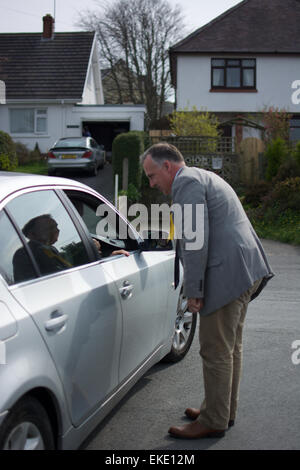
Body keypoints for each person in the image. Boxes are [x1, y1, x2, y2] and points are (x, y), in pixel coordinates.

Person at [141, 142, 274, 439]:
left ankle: (214, 419)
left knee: (215, 350)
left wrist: (194, 290)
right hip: (243, 270)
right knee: (229, 349)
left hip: (227, 275)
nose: (151, 183)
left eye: (151, 176)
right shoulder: (201, 176)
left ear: (167, 167)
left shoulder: (186, 182)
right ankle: (222, 410)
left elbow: (195, 240)